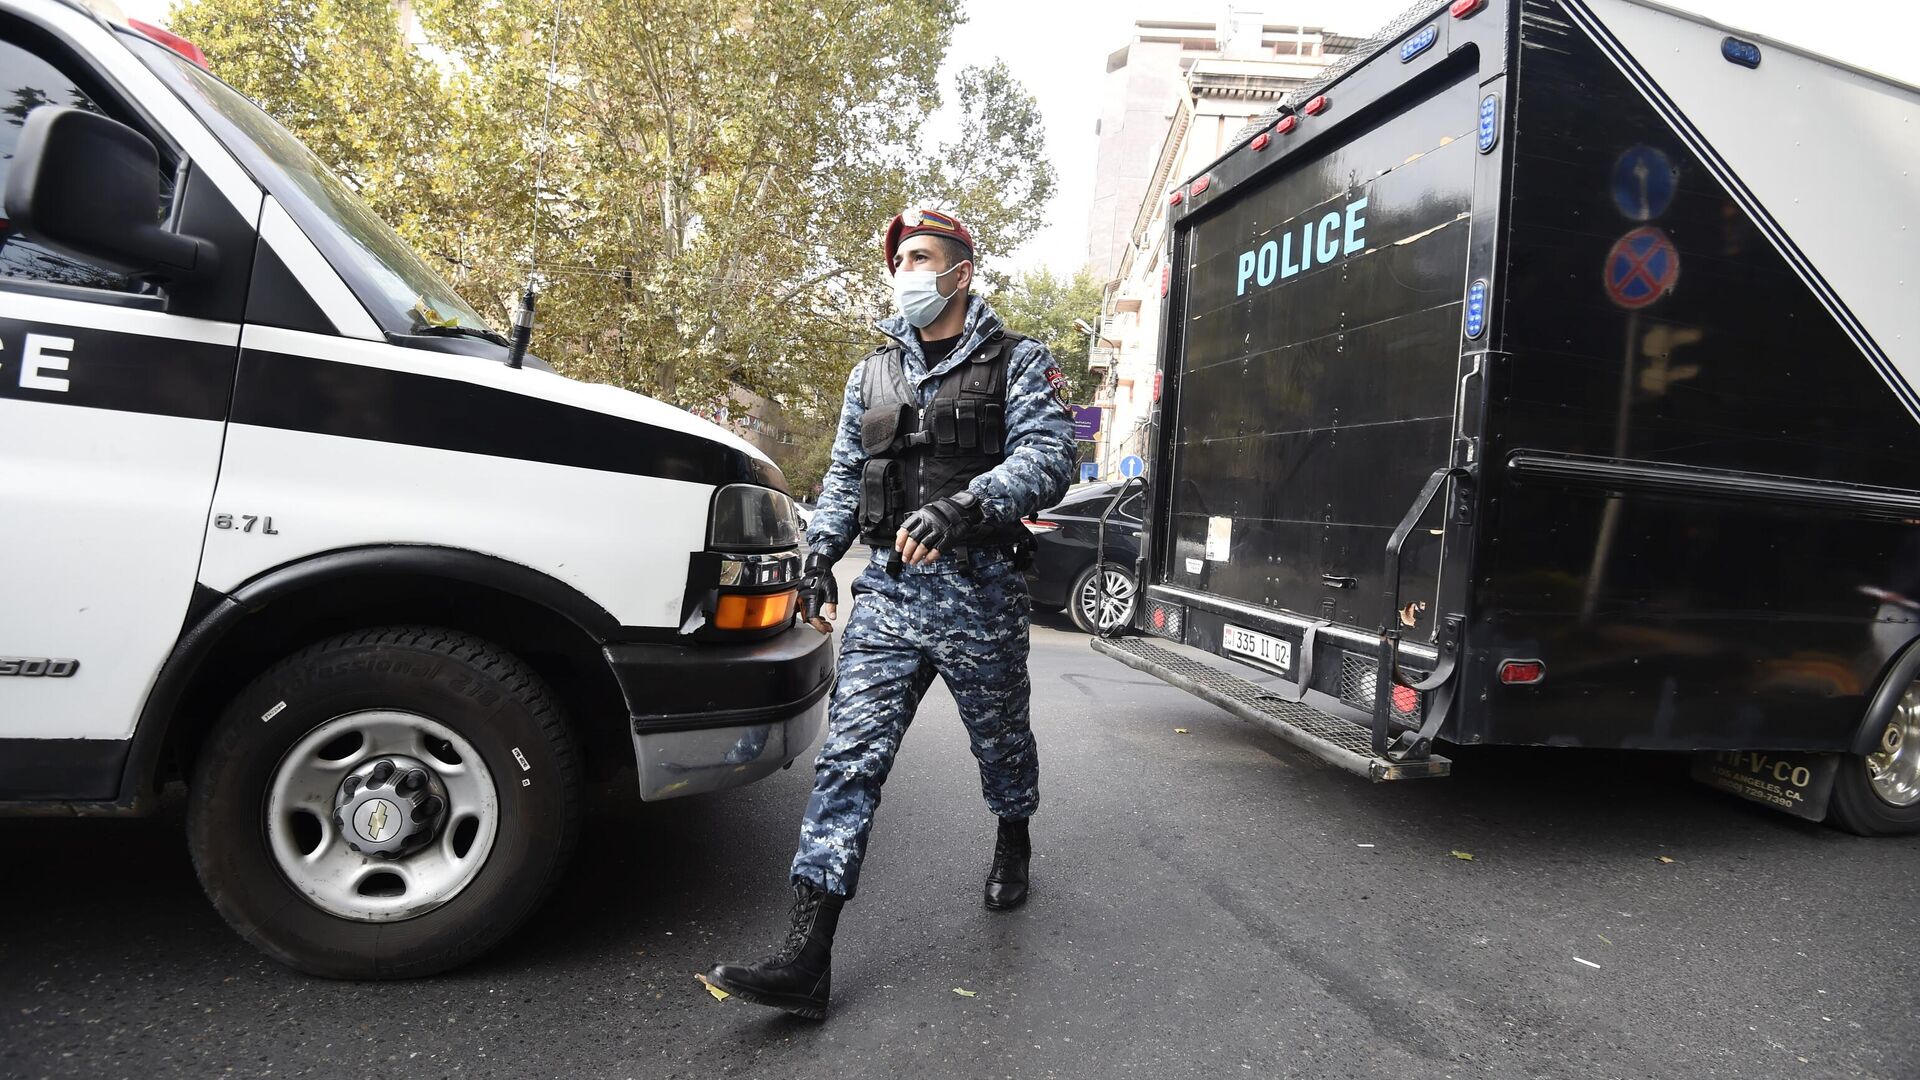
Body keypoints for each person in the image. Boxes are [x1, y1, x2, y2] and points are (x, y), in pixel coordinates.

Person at [704, 207, 1077, 1020]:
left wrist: (966, 506)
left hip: (981, 592)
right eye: (900, 260)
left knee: (1002, 745)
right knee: (848, 761)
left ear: (960, 272)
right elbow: (846, 476)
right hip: (891, 596)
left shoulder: (1019, 360)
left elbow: (1052, 458)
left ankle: (1013, 832)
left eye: (922, 257)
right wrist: (818, 555)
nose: (907, 272)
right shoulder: (871, 373)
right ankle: (806, 958)